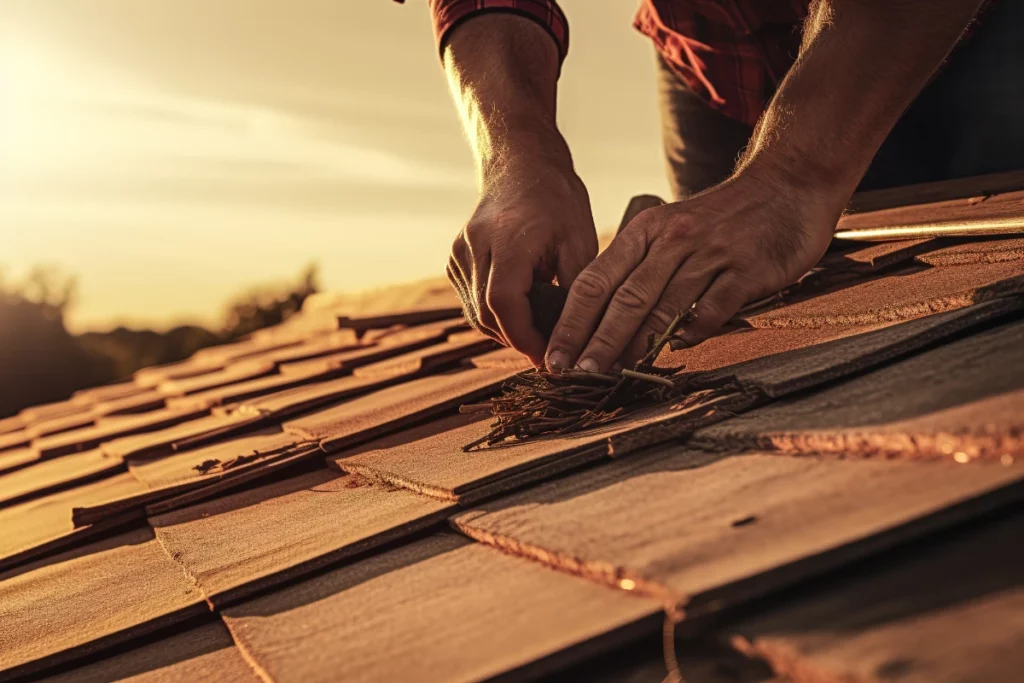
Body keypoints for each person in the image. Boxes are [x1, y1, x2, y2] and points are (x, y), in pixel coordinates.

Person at [408, 0, 1023, 372]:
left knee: (992, 298)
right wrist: (516, 157)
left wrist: (791, 177)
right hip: (716, 53)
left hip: (966, 26)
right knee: (708, 304)